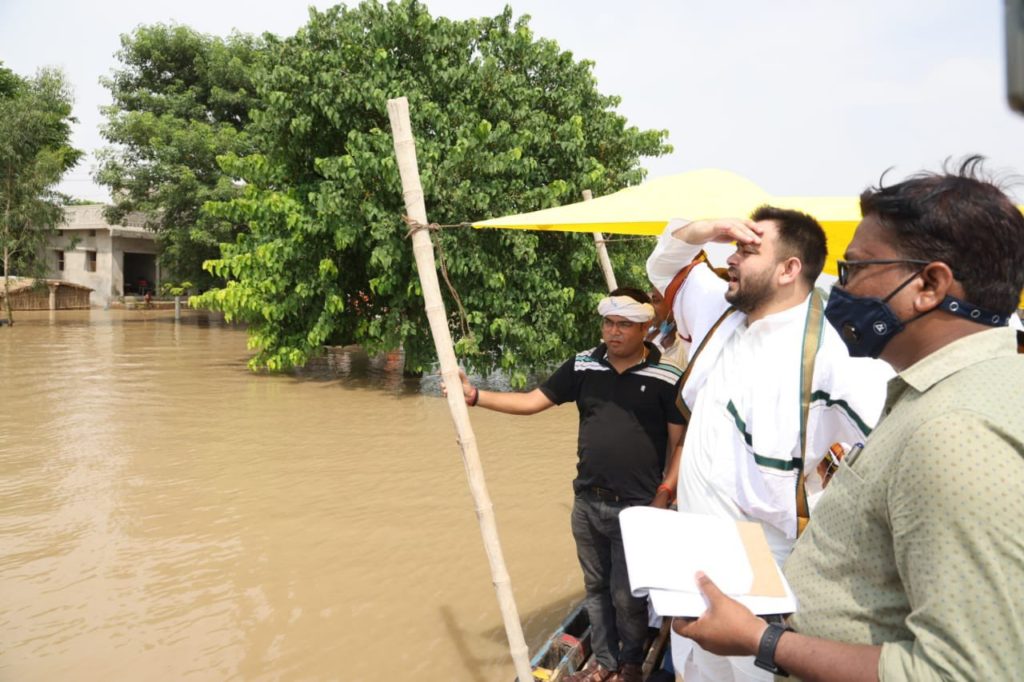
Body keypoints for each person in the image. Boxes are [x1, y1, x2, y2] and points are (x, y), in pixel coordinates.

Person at [671, 157, 1024, 681]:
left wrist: (763, 641)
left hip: (764, 615)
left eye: (855, 268)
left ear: (929, 285)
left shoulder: (952, 429)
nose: (839, 288)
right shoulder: (933, 389)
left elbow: (968, 671)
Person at [646, 205, 888, 681]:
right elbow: (664, 265)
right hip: (692, 549)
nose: (731, 258)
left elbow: (900, 451)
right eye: (733, 246)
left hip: (764, 568)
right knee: (695, 671)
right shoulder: (722, 310)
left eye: (747, 249)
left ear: (789, 269)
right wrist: (708, 228)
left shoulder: (835, 354)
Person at [445, 287, 685, 682]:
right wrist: (474, 397)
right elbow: (531, 402)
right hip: (588, 500)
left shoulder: (667, 376)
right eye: (608, 322)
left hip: (640, 506)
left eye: (624, 324)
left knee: (628, 596)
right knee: (596, 589)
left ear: (645, 327)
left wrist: (665, 494)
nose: (613, 332)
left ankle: (630, 664)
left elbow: (679, 443)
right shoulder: (583, 366)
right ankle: (605, 663)